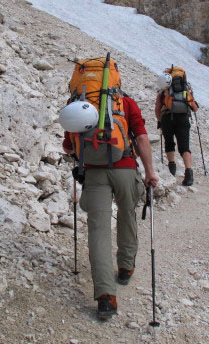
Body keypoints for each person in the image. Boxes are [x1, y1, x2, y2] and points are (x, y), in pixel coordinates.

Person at [62, 75, 159, 321]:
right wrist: (149, 172)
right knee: (127, 214)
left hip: (94, 175)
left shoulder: (76, 104)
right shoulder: (125, 102)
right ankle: (126, 267)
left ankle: (106, 297)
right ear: (115, 80)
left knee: (98, 231)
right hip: (125, 168)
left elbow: (68, 146)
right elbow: (141, 137)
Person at [155, 70, 199, 186]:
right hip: (183, 119)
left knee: (169, 143)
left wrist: (160, 121)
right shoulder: (186, 91)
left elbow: (157, 108)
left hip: (167, 119)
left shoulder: (163, 91)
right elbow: (194, 108)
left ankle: (171, 169)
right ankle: (189, 174)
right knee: (184, 146)